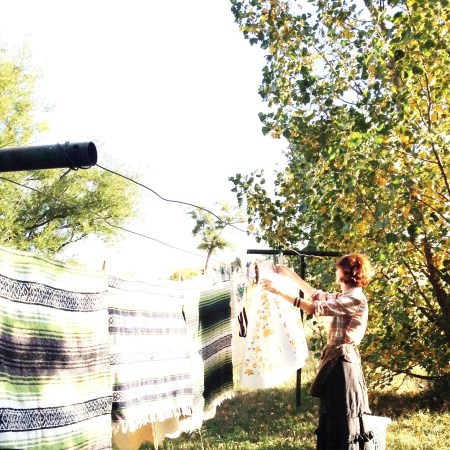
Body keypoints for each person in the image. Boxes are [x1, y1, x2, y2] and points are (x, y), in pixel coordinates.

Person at [261, 253, 374, 450]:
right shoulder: (345, 296)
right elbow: (315, 295)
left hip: (343, 365)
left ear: (347, 272)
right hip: (337, 362)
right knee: (333, 414)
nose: (336, 271)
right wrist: (290, 274)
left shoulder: (354, 299)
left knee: (341, 415)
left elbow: (313, 308)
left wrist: (279, 292)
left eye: (339, 268)